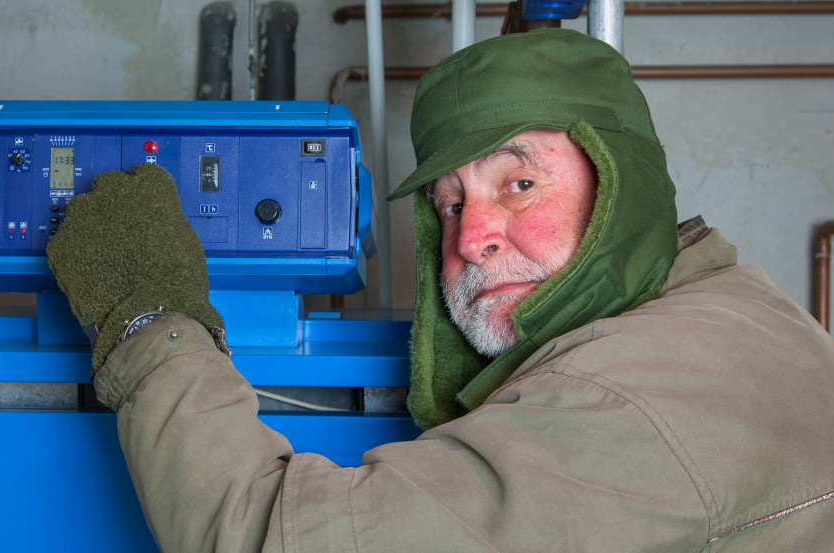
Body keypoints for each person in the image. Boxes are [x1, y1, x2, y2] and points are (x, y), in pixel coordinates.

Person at [46, 29, 834, 552]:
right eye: (449, 203)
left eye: (519, 182)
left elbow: (266, 536)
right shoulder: (740, 310)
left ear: (622, 182)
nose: (470, 237)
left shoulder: (628, 403)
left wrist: (149, 316)